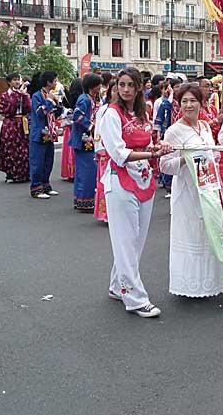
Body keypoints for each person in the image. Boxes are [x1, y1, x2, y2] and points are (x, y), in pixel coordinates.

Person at [98, 67, 173, 318]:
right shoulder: (111, 114)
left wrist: (158, 146)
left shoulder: (143, 113)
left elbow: (149, 141)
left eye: (131, 85)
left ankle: (117, 285)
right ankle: (135, 298)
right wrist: (152, 153)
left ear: (139, 87)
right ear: (116, 87)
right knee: (125, 240)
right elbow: (117, 154)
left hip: (144, 179)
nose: (126, 89)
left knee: (136, 239)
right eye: (122, 85)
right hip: (120, 180)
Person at [159, 84, 223, 298]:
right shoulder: (173, 131)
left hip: (210, 188)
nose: (189, 105)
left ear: (201, 103)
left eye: (193, 101)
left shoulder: (205, 127)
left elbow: (213, 154)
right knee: (191, 234)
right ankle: (190, 285)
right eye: (184, 101)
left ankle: (213, 281)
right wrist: (186, 159)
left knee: (209, 232)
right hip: (187, 192)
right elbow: (164, 165)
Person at [70, 73, 102, 212]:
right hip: (83, 139)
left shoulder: (92, 98)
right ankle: (85, 200)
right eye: (98, 84)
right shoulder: (84, 99)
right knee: (87, 170)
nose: (100, 87)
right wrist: (91, 126)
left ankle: (82, 199)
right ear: (92, 86)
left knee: (85, 170)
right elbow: (77, 116)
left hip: (88, 139)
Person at [28, 71, 62, 199]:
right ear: (48, 82)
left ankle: (46, 185)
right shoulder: (37, 96)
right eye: (54, 80)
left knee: (48, 160)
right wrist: (49, 101)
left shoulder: (51, 95)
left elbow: (55, 114)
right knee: (38, 161)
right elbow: (40, 113)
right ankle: (36, 188)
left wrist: (58, 104)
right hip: (39, 133)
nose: (56, 83)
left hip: (49, 133)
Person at [0, 73, 31, 183]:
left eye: (18, 80)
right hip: (10, 124)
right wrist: (17, 96)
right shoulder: (4, 95)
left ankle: (24, 173)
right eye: (14, 80)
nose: (17, 82)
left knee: (24, 149)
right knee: (10, 148)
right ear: (9, 82)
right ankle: (10, 174)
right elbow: (7, 111)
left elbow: (28, 108)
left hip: (22, 123)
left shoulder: (23, 94)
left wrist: (24, 96)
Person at [93, 79, 117, 223]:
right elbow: (98, 132)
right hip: (106, 152)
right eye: (115, 90)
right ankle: (106, 213)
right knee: (106, 183)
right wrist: (100, 149)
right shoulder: (104, 109)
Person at [59, 78, 82, 183]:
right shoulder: (82, 99)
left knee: (68, 150)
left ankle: (69, 172)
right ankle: (76, 171)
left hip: (69, 127)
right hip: (77, 127)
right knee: (74, 151)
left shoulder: (67, 98)